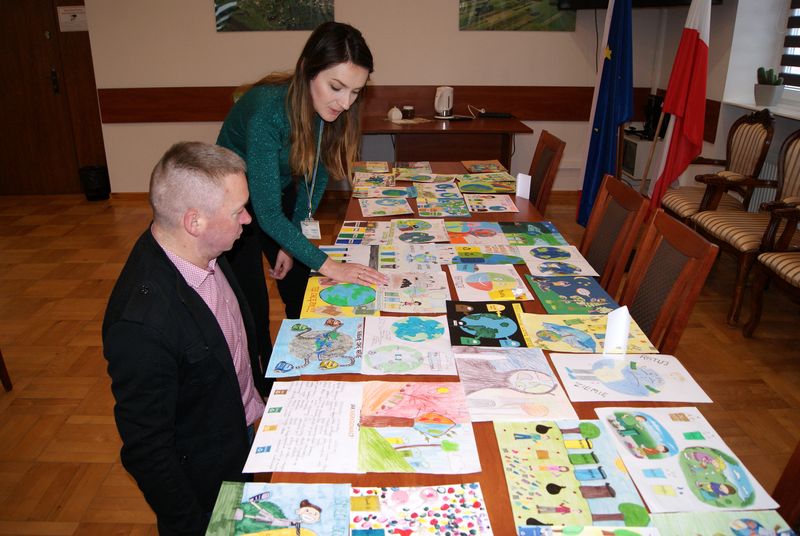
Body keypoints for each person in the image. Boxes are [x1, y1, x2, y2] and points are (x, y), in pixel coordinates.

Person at [103, 142, 267, 535]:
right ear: (195, 222)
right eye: (238, 210)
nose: (248, 219)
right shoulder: (142, 324)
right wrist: (190, 526)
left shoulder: (207, 250)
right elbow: (148, 448)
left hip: (243, 431)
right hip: (208, 485)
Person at [217, 21, 386, 365]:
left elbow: (316, 179)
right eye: (336, 87)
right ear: (308, 70)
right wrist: (332, 267)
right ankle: (261, 381)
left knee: (299, 284)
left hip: (275, 189)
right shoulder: (268, 111)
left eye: (355, 92)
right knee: (252, 304)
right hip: (230, 200)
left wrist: (290, 240)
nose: (345, 103)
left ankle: (306, 361)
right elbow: (266, 213)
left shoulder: (331, 109)